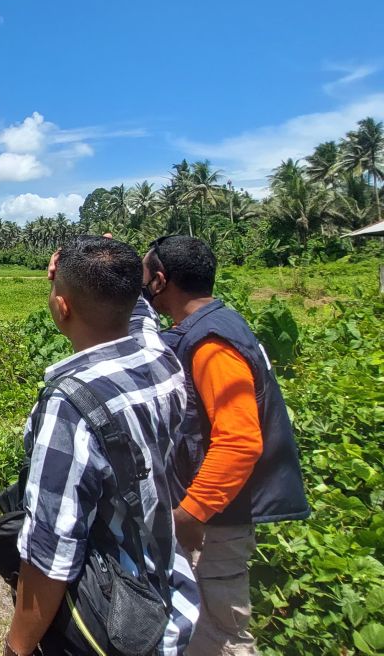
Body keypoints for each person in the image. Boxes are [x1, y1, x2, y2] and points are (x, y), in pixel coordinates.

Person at [8, 236, 198, 655]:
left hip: (111, 618)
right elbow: (139, 313)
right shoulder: (159, 357)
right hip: (168, 596)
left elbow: (49, 554)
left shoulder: (71, 406)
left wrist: (16, 647)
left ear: (62, 308)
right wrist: (112, 259)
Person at [142, 235, 309, 655]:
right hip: (218, 512)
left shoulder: (212, 343)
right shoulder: (214, 322)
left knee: (218, 633)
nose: (143, 288)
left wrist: (193, 512)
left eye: (145, 279)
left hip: (215, 521)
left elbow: (239, 442)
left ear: (161, 281)